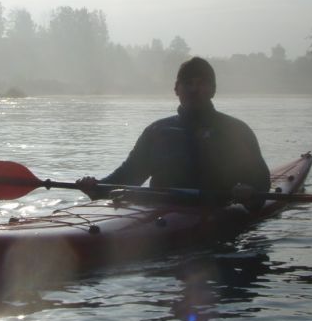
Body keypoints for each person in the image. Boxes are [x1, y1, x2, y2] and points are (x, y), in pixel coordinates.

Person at [77, 56, 270, 207]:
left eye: (201, 83)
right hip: (160, 217)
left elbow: (261, 183)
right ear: (176, 89)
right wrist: (96, 187)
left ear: (213, 90)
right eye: (187, 83)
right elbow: (127, 177)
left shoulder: (236, 131)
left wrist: (250, 192)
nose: (194, 89)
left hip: (217, 216)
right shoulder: (157, 131)